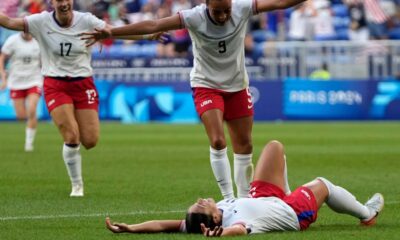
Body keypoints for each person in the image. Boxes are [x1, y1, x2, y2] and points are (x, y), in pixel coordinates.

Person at [83, 0, 309, 200]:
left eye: (226, 11)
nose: (222, 17)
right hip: (206, 85)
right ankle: (229, 199)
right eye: (217, 11)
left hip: (237, 86)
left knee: (245, 145)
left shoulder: (242, 8)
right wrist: (111, 33)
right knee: (218, 140)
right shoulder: (193, 17)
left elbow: (279, 3)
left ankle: (244, 198)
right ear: (207, 5)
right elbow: (154, 25)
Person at [0, 0, 162, 197]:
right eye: (59, 0)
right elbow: (8, 21)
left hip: (83, 84)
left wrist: (147, 36)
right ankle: (77, 186)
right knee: (71, 136)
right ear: (52, 3)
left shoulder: (86, 20)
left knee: (90, 141)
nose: (64, 3)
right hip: (55, 84)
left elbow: (113, 31)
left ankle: (75, 158)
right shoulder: (40, 21)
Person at [105, 140, 384, 236]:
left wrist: (132, 227)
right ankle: (366, 213)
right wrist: (223, 234)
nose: (201, 199)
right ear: (215, 219)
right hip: (290, 212)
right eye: (202, 205)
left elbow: (164, 225)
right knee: (323, 182)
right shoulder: (236, 221)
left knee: (275, 147)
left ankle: (286, 192)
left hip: (265, 196)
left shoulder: (201, 220)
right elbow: (239, 231)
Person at [0, 31, 43, 152]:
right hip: (16, 81)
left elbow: (45, 59)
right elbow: (2, 57)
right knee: (20, 116)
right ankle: (30, 125)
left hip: (34, 80)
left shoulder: (38, 41)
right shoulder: (12, 40)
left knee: (32, 109)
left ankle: (29, 143)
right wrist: (3, 77)